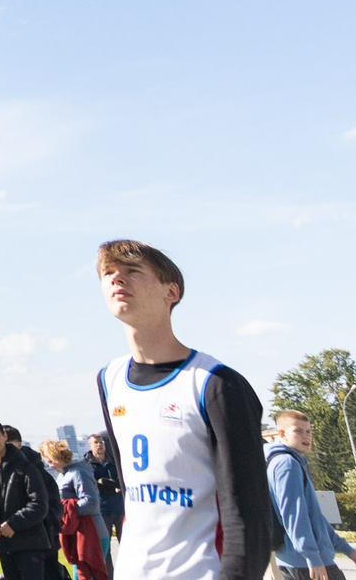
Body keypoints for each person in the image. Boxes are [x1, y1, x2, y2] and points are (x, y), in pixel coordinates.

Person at [90, 240, 273, 580]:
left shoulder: (215, 384)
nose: (117, 279)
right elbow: (131, 486)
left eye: (132, 271)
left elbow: (248, 510)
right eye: (108, 273)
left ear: (171, 291)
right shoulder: (109, 379)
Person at [264, 413, 356, 580]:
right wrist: (312, 557)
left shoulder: (288, 462)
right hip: (306, 564)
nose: (306, 436)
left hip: (295, 561)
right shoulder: (287, 464)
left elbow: (314, 516)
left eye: (309, 431)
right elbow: (294, 515)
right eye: (298, 431)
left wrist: (346, 549)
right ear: (282, 434)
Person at [0, 421, 50, 580]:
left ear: (4, 436)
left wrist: (13, 523)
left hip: (29, 543)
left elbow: (39, 504)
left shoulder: (25, 466)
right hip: (3, 545)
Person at [40, 442, 104, 580]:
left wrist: (65, 509)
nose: (50, 465)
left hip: (92, 531)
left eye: (51, 461)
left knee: (91, 574)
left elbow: (91, 502)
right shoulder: (63, 474)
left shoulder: (78, 472)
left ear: (58, 457)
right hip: (77, 532)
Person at [84, 438, 122, 561]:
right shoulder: (86, 465)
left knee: (126, 544)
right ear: (90, 445)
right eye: (96, 442)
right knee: (105, 549)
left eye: (101, 442)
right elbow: (93, 485)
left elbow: (121, 481)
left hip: (119, 508)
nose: (99, 445)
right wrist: (112, 485)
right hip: (101, 510)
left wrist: (104, 482)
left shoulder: (115, 461)